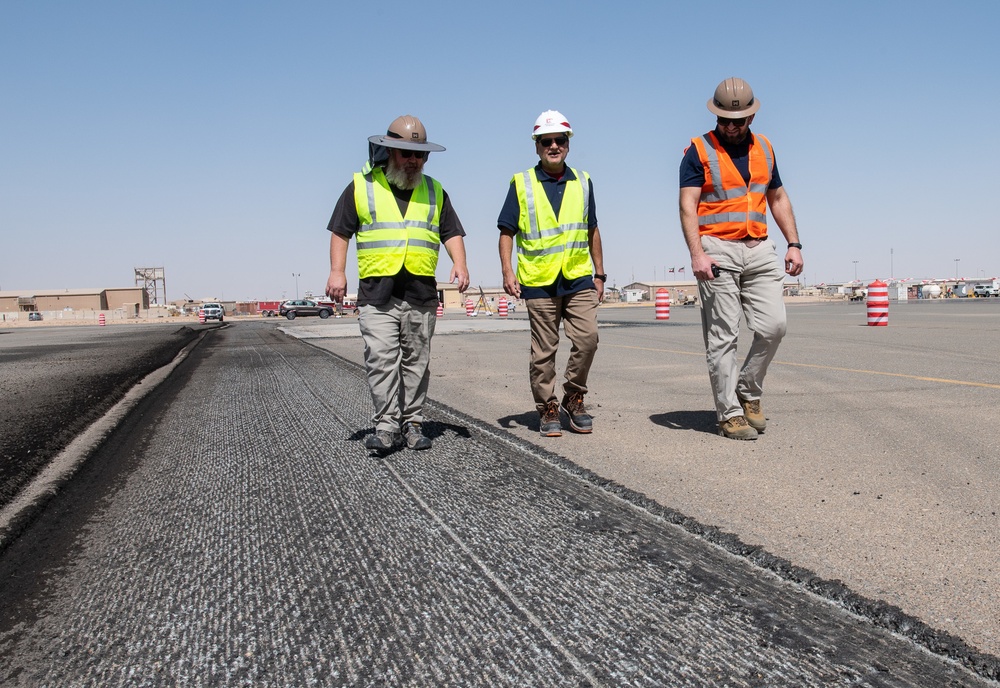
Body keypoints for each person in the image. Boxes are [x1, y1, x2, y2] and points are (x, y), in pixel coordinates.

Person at [326, 115, 470, 453]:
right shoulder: (362, 187)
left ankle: (414, 423)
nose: (412, 160)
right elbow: (340, 231)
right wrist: (337, 271)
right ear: (390, 152)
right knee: (381, 360)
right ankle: (386, 426)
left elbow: (451, 232)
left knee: (416, 362)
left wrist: (460, 264)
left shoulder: (435, 191)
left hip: (419, 294)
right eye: (406, 153)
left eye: (418, 155)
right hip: (378, 294)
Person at [678, 78, 803, 440]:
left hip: (760, 249)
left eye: (738, 121)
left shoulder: (765, 148)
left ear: (751, 117)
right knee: (723, 337)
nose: (731, 127)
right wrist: (696, 253)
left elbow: (777, 198)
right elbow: (687, 205)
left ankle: (747, 388)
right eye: (724, 120)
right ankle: (729, 413)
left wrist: (794, 243)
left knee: (774, 326)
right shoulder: (698, 151)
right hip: (717, 250)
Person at [498, 110, 606, 437]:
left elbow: (592, 230)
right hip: (538, 281)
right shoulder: (521, 184)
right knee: (544, 352)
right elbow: (506, 231)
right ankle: (547, 407)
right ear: (537, 146)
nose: (554, 146)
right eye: (547, 141)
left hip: (578, 278)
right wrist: (507, 270)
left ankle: (574, 396)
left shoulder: (584, 181)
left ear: (568, 144)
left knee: (588, 339)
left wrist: (600, 273)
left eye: (560, 140)